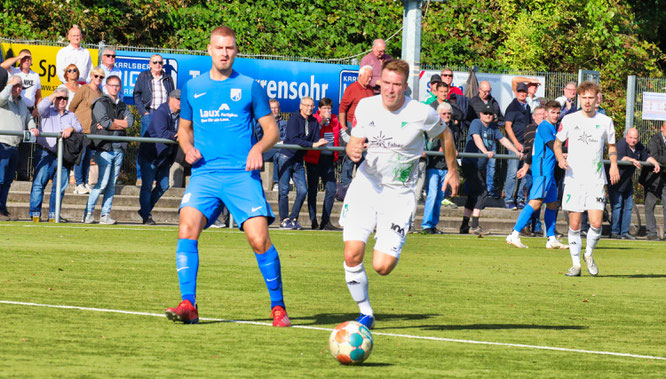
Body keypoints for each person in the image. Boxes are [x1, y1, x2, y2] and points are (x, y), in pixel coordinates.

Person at [164, 26, 291, 327]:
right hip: (205, 174)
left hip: (241, 175)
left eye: (229, 48)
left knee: (259, 239)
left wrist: (258, 148)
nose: (224, 53)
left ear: (236, 51)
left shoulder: (250, 87)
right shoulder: (193, 87)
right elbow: (184, 130)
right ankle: (188, 304)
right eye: (219, 48)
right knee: (186, 228)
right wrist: (187, 147)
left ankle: (278, 307)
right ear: (209, 50)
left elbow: (272, 131)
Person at [339, 59, 460, 329]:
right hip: (366, 186)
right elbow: (355, 142)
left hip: (399, 194)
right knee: (352, 254)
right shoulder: (366, 106)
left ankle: (393, 237)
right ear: (379, 82)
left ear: (405, 87)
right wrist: (352, 151)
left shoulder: (422, 113)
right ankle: (366, 313)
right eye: (386, 84)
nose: (390, 90)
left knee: (382, 266)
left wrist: (453, 170)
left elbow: (446, 135)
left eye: (396, 85)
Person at [554, 81, 619, 277]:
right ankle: (575, 265)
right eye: (584, 97)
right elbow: (557, 144)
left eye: (591, 97)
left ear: (597, 99)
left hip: (596, 180)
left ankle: (588, 254)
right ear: (579, 98)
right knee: (574, 225)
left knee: (597, 223)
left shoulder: (606, 121)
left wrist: (614, 164)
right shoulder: (570, 119)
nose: (587, 101)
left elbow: (612, 147)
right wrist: (559, 158)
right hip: (574, 179)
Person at [506, 101, 568, 249]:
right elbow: (552, 145)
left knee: (552, 204)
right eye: (552, 112)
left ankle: (551, 238)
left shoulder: (552, 128)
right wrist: (561, 157)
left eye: (558, 113)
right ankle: (514, 234)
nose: (555, 115)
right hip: (543, 172)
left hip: (549, 173)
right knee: (535, 202)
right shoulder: (545, 127)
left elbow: (533, 148)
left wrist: (526, 165)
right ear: (546, 113)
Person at [461, 104, 523, 235]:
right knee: (482, 193)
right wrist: (485, 151)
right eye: (485, 113)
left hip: (480, 165)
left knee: (473, 195)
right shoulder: (476, 123)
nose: (488, 116)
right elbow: (476, 138)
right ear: (481, 114)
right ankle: (474, 225)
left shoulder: (493, 127)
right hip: (471, 163)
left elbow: (503, 140)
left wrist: (516, 151)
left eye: (490, 114)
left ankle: (464, 225)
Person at [83, 75, 133, 225]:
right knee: (102, 183)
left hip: (119, 148)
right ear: (106, 86)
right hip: (105, 148)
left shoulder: (123, 105)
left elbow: (130, 122)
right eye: (112, 85)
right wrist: (118, 123)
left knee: (111, 185)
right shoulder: (100, 103)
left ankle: (105, 215)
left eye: (117, 86)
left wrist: (114, 123)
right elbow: (104, 123)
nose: (115, 88)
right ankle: (88, 213)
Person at [28, 86, 82, 222]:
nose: (62, 100)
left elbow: (80, 128)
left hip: (63, 156)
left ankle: (53, 214)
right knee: (39, 184)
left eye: (65, 98)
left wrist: (71, 128)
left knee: (59, 188)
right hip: (45, 152)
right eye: (59, 98)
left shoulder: (71, 115)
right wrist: (54, 94)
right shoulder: (47, 112)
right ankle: (35, 214)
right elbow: (40, 107)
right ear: (54, 98)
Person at [276, 96, 328, 230]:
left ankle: (293, 218)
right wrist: (312, 144)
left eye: (311, 106)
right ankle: (283, 220)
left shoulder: (314, 122)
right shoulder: (293, 119)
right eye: (306, 105)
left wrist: (320, 142)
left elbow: (316, 139)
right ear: (301, 106)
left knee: (303, 191)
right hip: (286, 157)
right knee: (284, 190)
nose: (309, 108)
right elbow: (293, 140)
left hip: (298, 160)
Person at [137, 89, 181, 225]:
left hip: (165, 157)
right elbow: (161, 132)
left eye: (182, 100)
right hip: (151, 155)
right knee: (147, 186)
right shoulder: (161, 111)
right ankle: (146, 216)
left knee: (164, 185)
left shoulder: (182, 114)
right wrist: (177, 135)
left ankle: (145, 210)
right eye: (178, 99)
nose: (180, 103)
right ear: (170, 99)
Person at [609, 128, 659, 239]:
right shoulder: (621, 144)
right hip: (616, 180)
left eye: (635, 138)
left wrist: (655, 163)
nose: (632, 140)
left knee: (628, 207)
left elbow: (646, 157)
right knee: (617, 206)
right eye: (630, 138)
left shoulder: (639, 146)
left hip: (627, 182)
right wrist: (632, 160)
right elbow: (621, 157)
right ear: (626, 136)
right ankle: (614, 232)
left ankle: (625, 233)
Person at [133, 54, 176, 184]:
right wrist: (143, 112)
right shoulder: (143, 76)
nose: (158, 65)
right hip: (150, 113)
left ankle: (156, 177)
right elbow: (136, 95)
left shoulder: (168, 78)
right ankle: (140, 177)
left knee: (162, 145)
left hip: (164, 115)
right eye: (155, 62)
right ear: (150, 64)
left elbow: (172, 97)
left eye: (160, 63)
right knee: (145, 145)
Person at [1, 49, 42, 181]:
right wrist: (19, 56)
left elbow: (38, 95)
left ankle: (23, 172)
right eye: (24, 58)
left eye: (28, 58)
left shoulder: (35, 75)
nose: (26, 60)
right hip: (11, 107)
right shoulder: (14, 71)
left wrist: (37, 109)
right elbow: (2, 66)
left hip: (26, 109)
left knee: (25, 145)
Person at [0, 75, 36, 221]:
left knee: (8, 181)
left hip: (15, 146)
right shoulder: (4, 98)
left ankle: (2, 208)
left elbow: (29, 118)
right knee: (0, 179)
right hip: (2, 144)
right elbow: (0, 99)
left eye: (20, 86)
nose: (18, 89)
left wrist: (32, 128)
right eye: (16, 86)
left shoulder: (21, 103)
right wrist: (10, 85)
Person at [304, 97, 341, 230]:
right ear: (319, 109)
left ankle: (325, 221)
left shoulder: (336, 120)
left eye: (329, 108)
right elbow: (310, 134)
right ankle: (313, 221)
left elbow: (343, 134)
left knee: (331, 189)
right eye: (324, 108)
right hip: (314, 160)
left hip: (328, 160)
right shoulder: (313, 120)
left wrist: (358, 143)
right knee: (312, 191)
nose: (327, 111)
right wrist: (321, 123)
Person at [338, 65, 374, 197]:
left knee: (363, 157)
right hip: (352, 125)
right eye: (367, 77)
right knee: (350, 157)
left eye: (371, 77)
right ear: (360, 76)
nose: (370, 79)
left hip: (367, 127)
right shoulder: (351, 89)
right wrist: (343, 126)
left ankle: (361, 184)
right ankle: (345, 186)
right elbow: (342, 108)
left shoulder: (370, 90)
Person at [421, 102, 456, 234]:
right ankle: (426, 225)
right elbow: (429, 147)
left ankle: (433, 224)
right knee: (432, 195)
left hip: (446, 167)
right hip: (434, 166)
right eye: (444, 114)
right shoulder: (433, 128)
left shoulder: (453, 128)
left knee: (439, 197)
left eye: (448, 114)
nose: (447, 116)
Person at [69, 66, 104, 195]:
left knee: (88, 157)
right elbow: (72, 106)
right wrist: (74, 123)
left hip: (92, 131)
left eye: (101, 77)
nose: (98, 79)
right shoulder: (84, 89)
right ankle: (78, 184)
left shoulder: (100, 93)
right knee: (81, 157)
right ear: (91, 76)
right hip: (81, 129)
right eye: (96, 76)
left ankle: (84, 182)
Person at [470, 80, 504, 199]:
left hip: (491, 136)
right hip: (477, 136)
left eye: (489, 91)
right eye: (485, 91)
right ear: (479, 90)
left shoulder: (493, 101)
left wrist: (494, 120)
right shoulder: (473, 102)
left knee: (491, 166)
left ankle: (490, 189)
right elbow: (469, 119)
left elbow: (500, 118)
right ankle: (475, 189)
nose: (487, 93)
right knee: (477, 165)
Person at [503, 82, 532, 209]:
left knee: (524, 172)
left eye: (524, 92)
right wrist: (515, 144)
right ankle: (509, 199)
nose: (522, 94)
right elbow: (507, 126)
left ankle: (520, 198)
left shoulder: (527, 107)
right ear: (516, 92)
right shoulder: (513, 107)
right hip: (516, 145)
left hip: (526, 144)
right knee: (512, 172)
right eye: (520, 91)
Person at [639, 121, 666, 241]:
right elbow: (654, 156)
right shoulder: (654, 140)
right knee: (650, 204)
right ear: (662, 128)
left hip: (664, 177)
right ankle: (651, 232)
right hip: (652, 178)